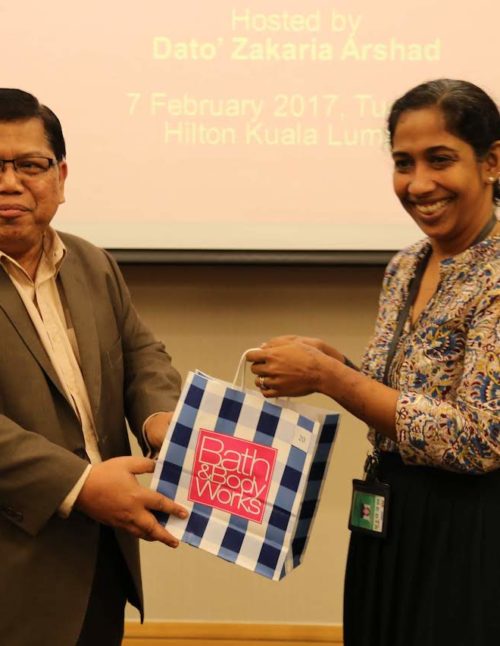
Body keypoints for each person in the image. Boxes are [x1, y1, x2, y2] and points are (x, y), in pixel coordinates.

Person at [247, 79, 500, 645]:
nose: (419, 184)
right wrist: (337, 364)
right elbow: (413, 395)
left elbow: (477, 438)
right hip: (388, 521)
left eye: (440, 160)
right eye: (403, 163)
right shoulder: (405, 265)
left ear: (492, 163)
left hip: (469, 533)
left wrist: (331, 378)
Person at [0, 89, 188, 646]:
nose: (9, 183)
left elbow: (141, 355)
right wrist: (79, 485)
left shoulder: (92, 262)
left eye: (29, 165)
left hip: (100, 564)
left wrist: (160, 418)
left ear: (60, 176)